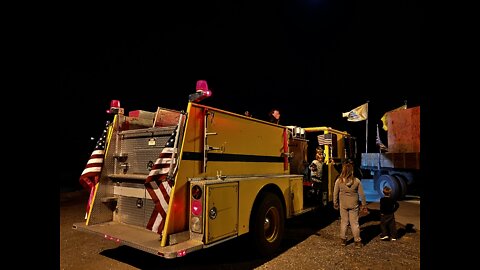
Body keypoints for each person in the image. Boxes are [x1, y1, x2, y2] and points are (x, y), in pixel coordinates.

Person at [333, 162, 367, 248]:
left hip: (343, 204)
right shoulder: (357, 181)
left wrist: (335, 203)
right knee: (354, 223)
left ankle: (343, 240)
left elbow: (335, 193)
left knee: (344, 222)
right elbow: (362, 194)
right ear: (352, 171)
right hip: (354, 204)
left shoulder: (339, 181)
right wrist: (364, 205)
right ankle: (357, 241)